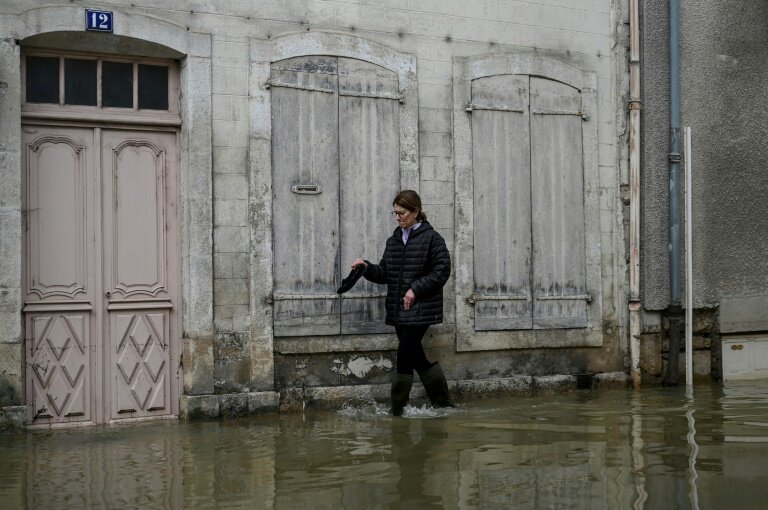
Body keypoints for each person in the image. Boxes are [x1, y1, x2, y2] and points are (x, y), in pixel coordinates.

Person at [351, 190, 453, 416]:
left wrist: (415, 289)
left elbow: (442, 270)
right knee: (415, 356)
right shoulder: (394, 239)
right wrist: (365, 267)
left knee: (404, 356)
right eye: (395, 213)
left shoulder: (432, 238)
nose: (398, 217)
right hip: (399, 310)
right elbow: (385, 273)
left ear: (416, 211)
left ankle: (397, 411)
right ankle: (442, 404)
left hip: (421, 309)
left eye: (402, 212)